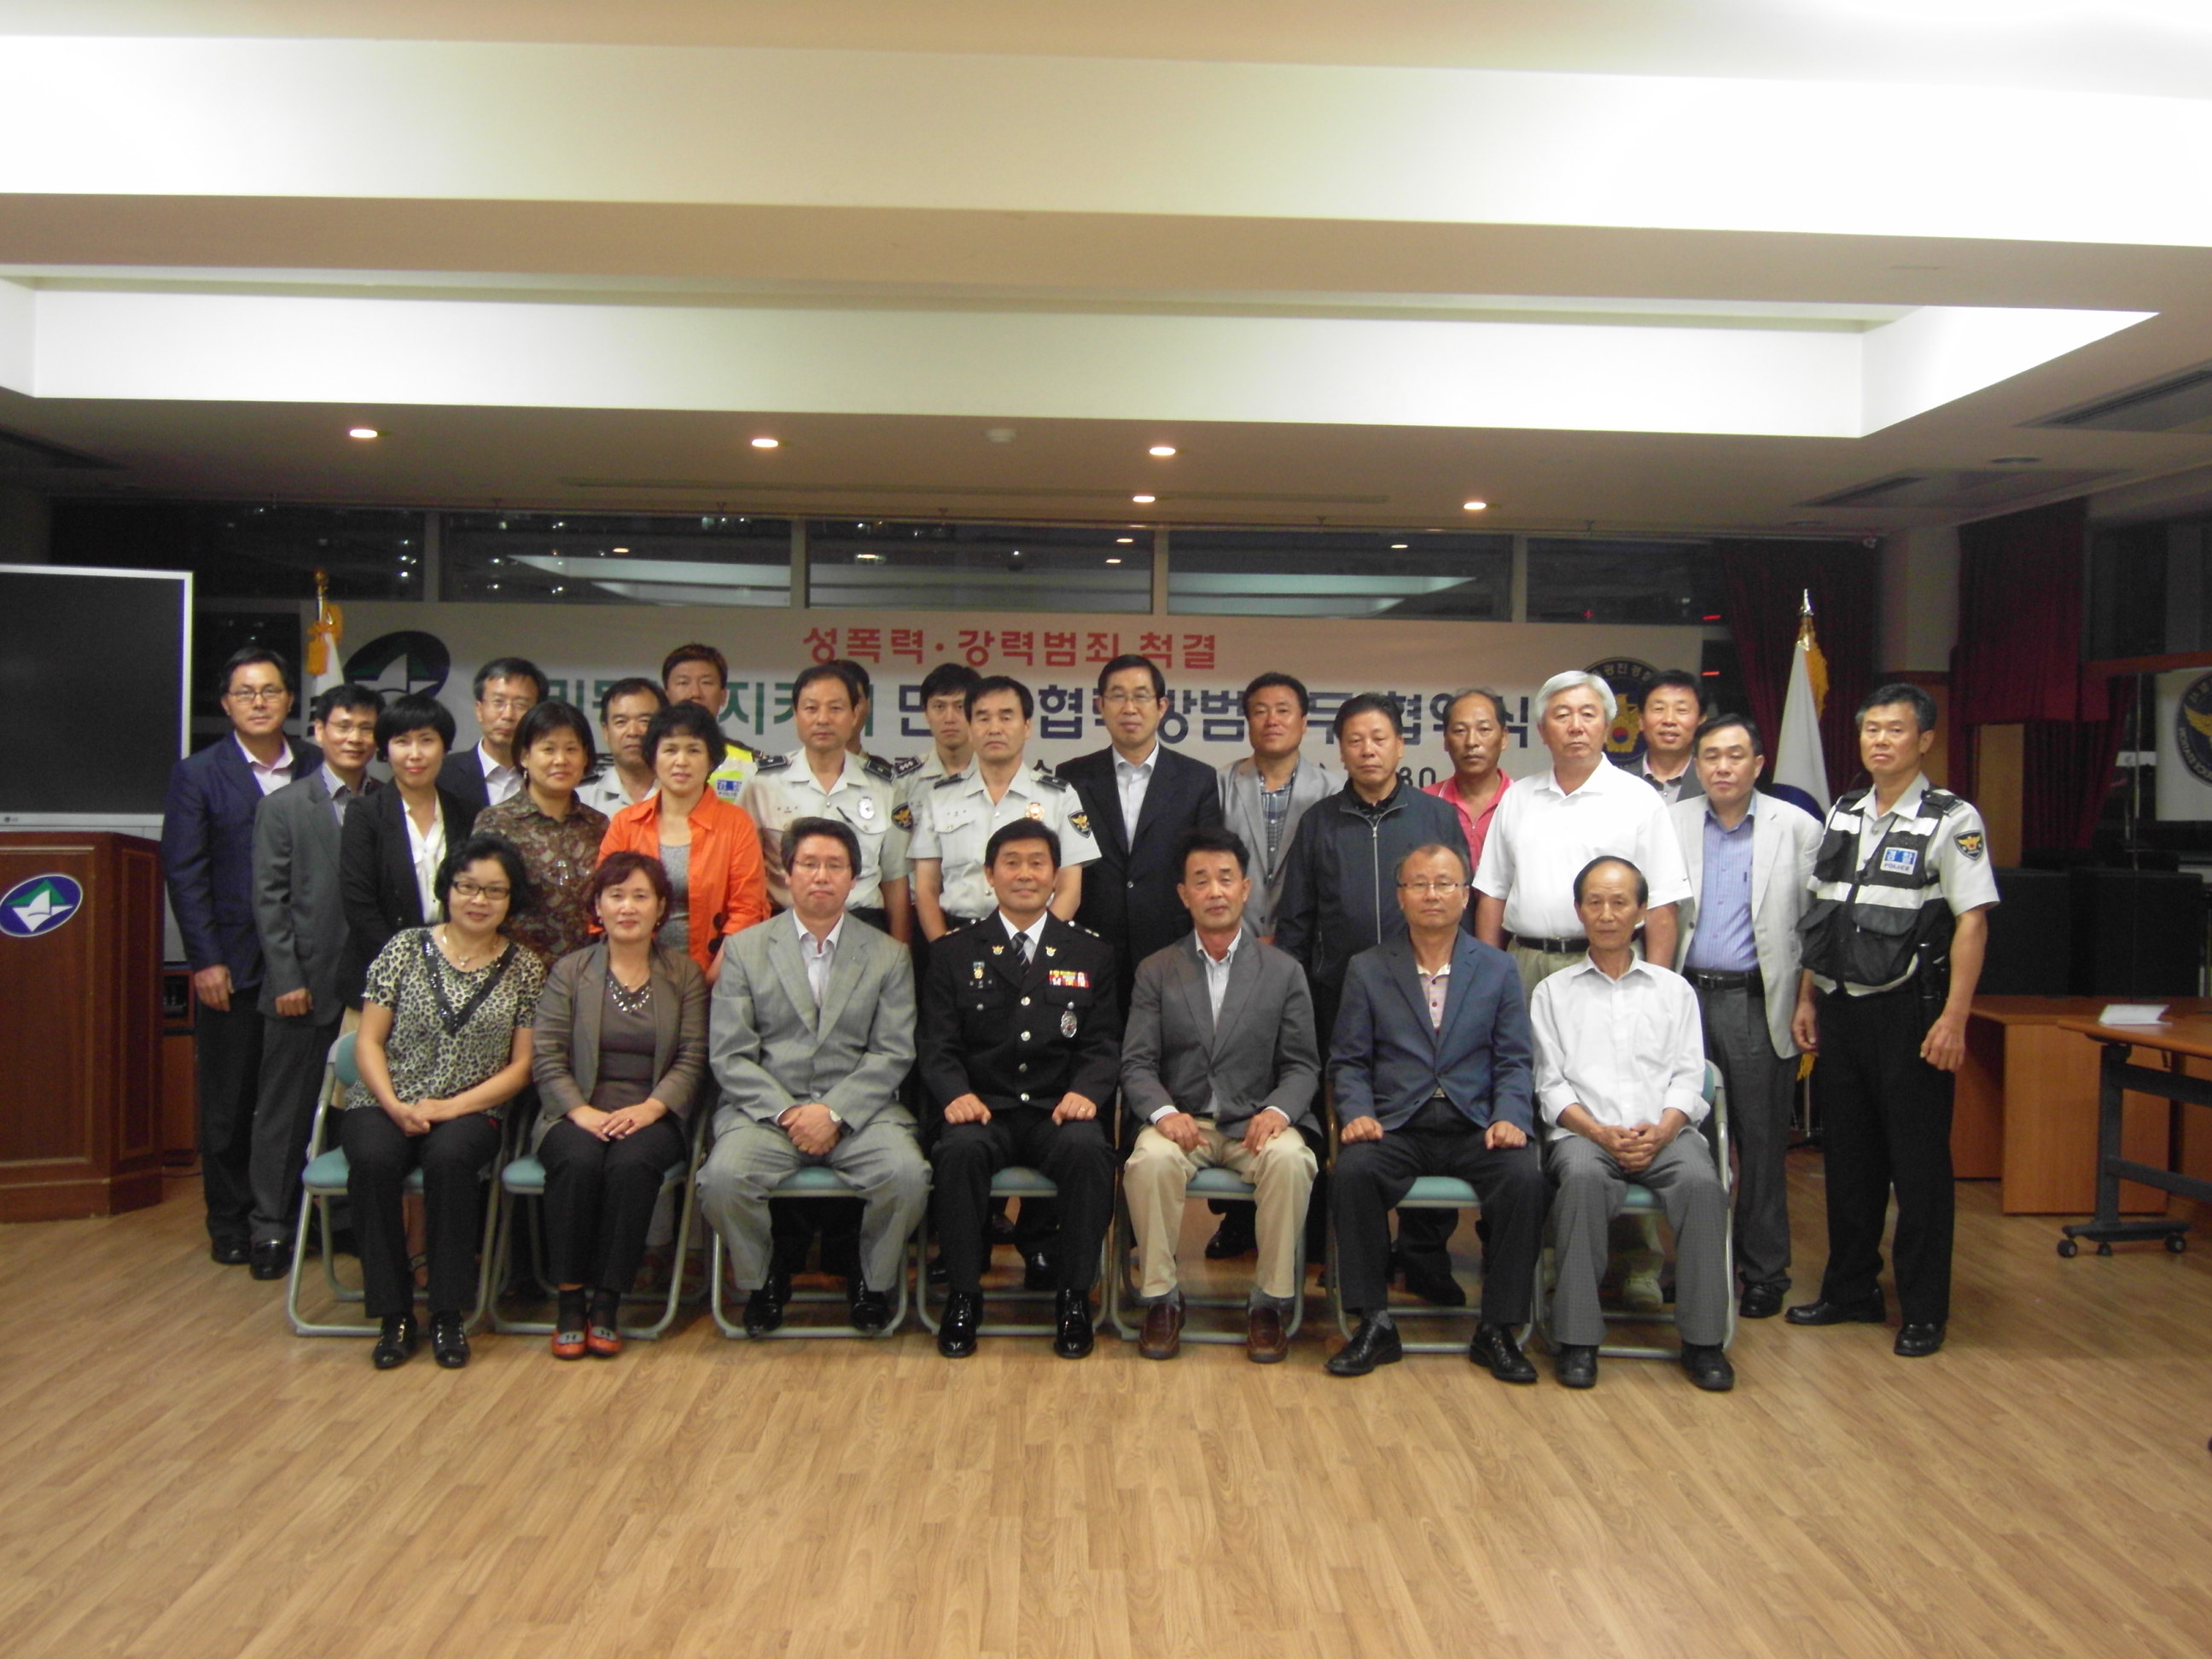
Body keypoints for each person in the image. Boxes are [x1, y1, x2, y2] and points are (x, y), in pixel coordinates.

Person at [1787, 684, 1997, 1359]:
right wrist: (1807, 997)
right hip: (1841, 1008)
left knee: (1918, 1168)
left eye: (1895, 730)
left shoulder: (1951, 819)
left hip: (1911, 1014)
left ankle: (1924, 1310)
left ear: (1924, 740)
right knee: (1848, 1162)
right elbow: (1821, 915)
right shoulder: (1845, 811)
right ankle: (1851, 1290)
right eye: (1870, 729)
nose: (1880, 741)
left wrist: (1955, 1019)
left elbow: (1972, 924)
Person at [1475, 669, 1691, 1311]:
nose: (1575, 725)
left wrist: (1656, 986)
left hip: (1614, 969)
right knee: (1535, 1110)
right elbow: (1492, 895)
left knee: (1622, 1104)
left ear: (1609, 724)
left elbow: (1663, 905)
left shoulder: (1637, 801)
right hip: (1527, 966)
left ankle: (1635, 1261)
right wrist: (1486, 981)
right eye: (1561, 715)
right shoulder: (1519, 799)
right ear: (1541, 729)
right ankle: (1549, 1256)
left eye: (1587, 713)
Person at [1274, 692, 1470, 1304]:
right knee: (1345, 1127)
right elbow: (1298, 919)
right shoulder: (1320, 822)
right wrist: (1298, 1000)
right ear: (1340, 750)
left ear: (1401, 745)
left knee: (1427, 1118)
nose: (1367, 750)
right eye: (1355, 740)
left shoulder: (1436, 818)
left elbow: (1459, 906)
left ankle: (1425, 1256)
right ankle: (1349, 1254)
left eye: (1379, 738)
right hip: (1341, 998)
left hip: (1428, 995)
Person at [1324, 843, 1547, 1382]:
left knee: (1524, 1178)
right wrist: (1357, 1112)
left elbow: (1514, 1059)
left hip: (1475, 1125)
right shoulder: (1368, 968)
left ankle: (1498, 1328)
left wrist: (1509, 1115)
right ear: (1400, 896)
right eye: (1419, 884)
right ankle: (1373, 1323)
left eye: (1445, 883)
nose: (1432, 894)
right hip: (1397, 1125)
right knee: (1353, 1172)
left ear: (1465, 895)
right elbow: (1348, 1061)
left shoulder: (1497, 968)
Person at [698, 818, 929, 1335]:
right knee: (721, 1179)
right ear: (787, 873)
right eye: (808, 864)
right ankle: (764, 1280)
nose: (821, 876)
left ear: (854, 878)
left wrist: (834, 1112)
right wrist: (789, 1112)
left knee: (907, 1175)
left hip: (861, 1113)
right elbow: (730, 1055)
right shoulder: (745, 950)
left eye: (834, 866)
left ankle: (871, 1280)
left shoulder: (889, 955)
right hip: (767, 1113)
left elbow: (893, 1051)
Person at [1531, 856, 1733, 1392]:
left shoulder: (1673, 991)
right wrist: (1599, 1133)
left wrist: (1664, 1129)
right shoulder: (1553, 993)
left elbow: (1690, 1076)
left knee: (1702, 1186)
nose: (1607, 914)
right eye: (1595, 902)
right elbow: (1549, 1084)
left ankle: (1704, 1342)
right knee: (1580, 1182)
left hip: (1666, 1132)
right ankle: (1577, 1340)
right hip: (1585, 1135)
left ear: (1641, 911)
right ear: (1579, 911)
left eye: (1620, 902)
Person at [345, 834, 546, 1371]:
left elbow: (522, 1067)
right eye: (467, 887)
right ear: (447, 889)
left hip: (472, 1108)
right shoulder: (403, 947)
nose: (479, 900)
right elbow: (368, 1041)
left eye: (495, 891)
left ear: (511, 899)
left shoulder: (527, 968)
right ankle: (393, 1314)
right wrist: (394, 1105)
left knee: (451, 1161)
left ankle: (447, 1313)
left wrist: (450, 1109)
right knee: (373, 1160)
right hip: (385, 1099)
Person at [919, 822, 1121, 1359]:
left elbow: (1103, 1045)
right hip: (984, 1109)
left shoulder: (1090, 952)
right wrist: (954, 1094)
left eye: (1037, 863)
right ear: (990, 875)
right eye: (1011, 863)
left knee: (1090, 1153)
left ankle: (1073, 1297)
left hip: (1057, 1111)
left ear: (1056, 876)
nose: (1025, 874)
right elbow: (937, 1045)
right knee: (957, 1153)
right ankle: (964, 1295)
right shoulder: (953, 952)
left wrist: (1088, 1092)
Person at [1119, 827, 1318, 1362]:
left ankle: (1269, 1302)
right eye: (1201, 880)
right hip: (1183, 1124)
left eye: (1226, 879)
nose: (1215, 891)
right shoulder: (1156, 970)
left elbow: (1303, 1065)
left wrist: (1278, 1110)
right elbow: (1136, 1063)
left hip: (1255, 1122)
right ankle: (1161, 1298)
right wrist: (1163, 1113)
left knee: (1292, 1161)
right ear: (1183, 894)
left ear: (1246, 889)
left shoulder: (1284, 972)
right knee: (1149, 1162)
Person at [162, 646, 321, 1266]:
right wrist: (204, 959)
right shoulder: (198, 774)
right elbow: (186, 873)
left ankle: (286, 1219)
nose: (259, 702)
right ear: (227, 704)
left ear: (290, 700)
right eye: (246, 693)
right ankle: (229, 1221)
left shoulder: (316, 764)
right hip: (231, 963)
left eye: (271, 690)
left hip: (305, 963)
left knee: (296, 1101)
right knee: (230, 1100)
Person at [1668, 712, 1819, 1319]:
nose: (1722, 767)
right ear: (1697, 765)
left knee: (1758, 1143)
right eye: (1711, 756)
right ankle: (1693, 1264)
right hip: (1685, 1001)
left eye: (1735, 756)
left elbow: (1815, 925)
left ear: (1758, 764)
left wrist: (1808, 999)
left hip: (1758, 1002)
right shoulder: (1672, 821)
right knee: (1685, 1142)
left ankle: (1763, 1272)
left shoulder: (1798, 828)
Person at [529, 851, 707, 1359]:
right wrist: (580, 1112)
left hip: (651, 1113)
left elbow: (693, 1056)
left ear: (661, 908)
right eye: (616, 895)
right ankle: (570, 1301)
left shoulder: (683, 973)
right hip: (576, 1110)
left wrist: (652, 1109)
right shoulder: (570, 971)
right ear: (598, 907)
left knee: (631, 1166)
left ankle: (607, 1302)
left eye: (640, 896)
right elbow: (547, 1054)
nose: (628, 907)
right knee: (577, 1161)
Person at [244, 681, 382, 1280]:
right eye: (343, 727)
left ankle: (344, 1223)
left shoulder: (388, 802)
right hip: (301, 986)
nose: (355, 738)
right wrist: (286, 977)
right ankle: (271, 1227)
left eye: (366, 729)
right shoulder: (283, 806)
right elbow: (269, 901)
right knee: (286, 1112)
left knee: (357, 1114)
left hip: (373, 990)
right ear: (319, 731)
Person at [1061, 652, 1225, 1002]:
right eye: (1118, 696)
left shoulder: (1198, 780)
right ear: (1100, 705)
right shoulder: (1072, 777)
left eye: (1141, 696)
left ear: (1162, 706)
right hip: (1091, 944)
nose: (1129, 708)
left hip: (1173, 947)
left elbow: (1205, 867)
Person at [908, 675, 1102, 939]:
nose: (994, 729)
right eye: (983, 718)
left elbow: (1070, 890)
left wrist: (1035, 947)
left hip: (1037, 937)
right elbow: (926, 889)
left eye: (1006, 717)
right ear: (970, 727)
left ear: (1027, 726)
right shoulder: (940, 797)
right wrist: (943, 949)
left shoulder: (1059, 796)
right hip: (957, 935)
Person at [598, 701, 771, 982]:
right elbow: (604, 903)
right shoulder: (625, 823)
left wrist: (710, 981)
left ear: (712, 759)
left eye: (693, 750)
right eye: (670, 750)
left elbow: (747, 910)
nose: (681, 761)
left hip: (715, 978)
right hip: (634, 977)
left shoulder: (736, 824)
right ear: (653, 758)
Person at [740, 661, 911, 940]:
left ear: (855, 714)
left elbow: (895, 879)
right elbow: (744, 874)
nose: (823, 719)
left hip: (864, 925)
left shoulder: (884, 786)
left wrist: (901, 951)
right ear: (795, 715)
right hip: (783, 925)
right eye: (811, 708)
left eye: (835, 708)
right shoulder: (762, 783)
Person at [340, 693, 480, 970]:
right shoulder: (365, 814)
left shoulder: (469, 813)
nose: (415, 754)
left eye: (426, 740)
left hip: (457, 965)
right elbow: (360, 906)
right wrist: (409, 967)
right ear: (386, 750)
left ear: (444, 747)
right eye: (402, 742)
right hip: (381, 968)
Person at [474, 699, 611, 967]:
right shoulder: (496, 823)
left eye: (571, 749)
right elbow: (480, 906)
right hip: (514, 974)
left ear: (585, 757)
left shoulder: (598, 825)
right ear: (524, 756)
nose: (561, 760)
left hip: (587, 975)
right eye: (548, 749)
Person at [1216, 672, 1341, 941]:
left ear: (1304, 722)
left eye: (1283, 711)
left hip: (1304, 945)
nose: (1272, 720)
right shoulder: (1219, 784)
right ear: (1248, 722)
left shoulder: (1332, 792)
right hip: (1228, 941)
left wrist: (1289, 937)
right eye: (1260, 711)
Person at [437, 655, 545, 810]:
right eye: (498, 702)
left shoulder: (549, 775)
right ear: (479, 710)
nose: (508, 715)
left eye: (521, 705)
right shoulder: (442, 773)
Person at [1425, 687, 1514, 875]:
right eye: (1460, 731)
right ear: (1445, 740)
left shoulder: (1525, 802)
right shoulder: (1423, 804)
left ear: (1504, 738)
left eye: (1484, 729)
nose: (1471, 741)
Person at [662, 641, 760, 801]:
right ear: (666, 695)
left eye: (706, 683)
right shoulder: (649, 759)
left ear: (723, 696)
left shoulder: (749, 763)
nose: (695, 693)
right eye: (683, 683)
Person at [896, 661, 981, 810]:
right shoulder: (902, 780)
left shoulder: (996, 775)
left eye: (960, 706)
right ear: (926, 713)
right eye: (939, 706)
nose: (949, 718)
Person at [577, 677, 666, 816]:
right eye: (621, 722)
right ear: (606, 731)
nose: (633, 732)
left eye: (644, 721)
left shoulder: (684, 794)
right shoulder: (581, 799)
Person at [1616, 669, 1706, 805]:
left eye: (1682, 710)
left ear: (1701, 721)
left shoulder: (1713, 783)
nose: (1669, 720)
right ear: (1641, 720)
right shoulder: (1617, 784)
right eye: (1658, 709)